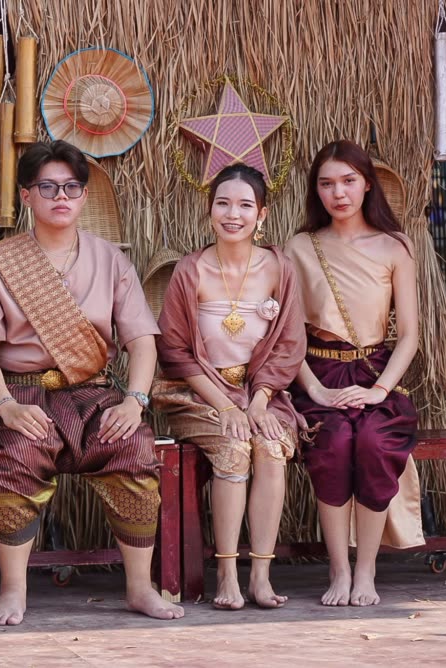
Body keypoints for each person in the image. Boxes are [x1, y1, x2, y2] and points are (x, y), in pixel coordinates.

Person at [0, 140, 184, 625]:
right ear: (27, 196)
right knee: (18, 454)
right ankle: (13, 591)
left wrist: (134, 401)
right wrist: (6, 407)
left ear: (84, 196)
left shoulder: (110, 260)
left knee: (134, 447)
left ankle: (139, 588)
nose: (60, 196)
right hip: (19, 392)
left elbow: (142, 342)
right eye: (47, 187)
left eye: (70, 187)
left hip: (92, 393)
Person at [154, 164, 306, 610]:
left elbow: (289, 346)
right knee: (234, 449)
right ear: (210, 211)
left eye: (244, 205)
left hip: (261, 394)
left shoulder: (279, 268)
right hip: (199, 394)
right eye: (222, 203)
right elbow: (175, 351)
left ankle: (260, 575)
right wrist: (226, 407)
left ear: (262, 214)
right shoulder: (191, 270)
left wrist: (258, 403)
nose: (232, 214)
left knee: (271, 448)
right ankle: (226, 574)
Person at [285, 139, 424, 607]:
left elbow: (409, 335)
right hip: (317, 374)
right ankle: (338, 568)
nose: (338, 193)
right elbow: (288, 338)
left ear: (367, 184)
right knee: (333, 443)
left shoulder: (395, 246)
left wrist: (379, 390)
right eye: (326, 184)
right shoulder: (300, 247)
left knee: (372, 443)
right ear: (316, 191)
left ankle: (366, 570)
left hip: (376, 374)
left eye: (348, 181)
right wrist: (316, 390)